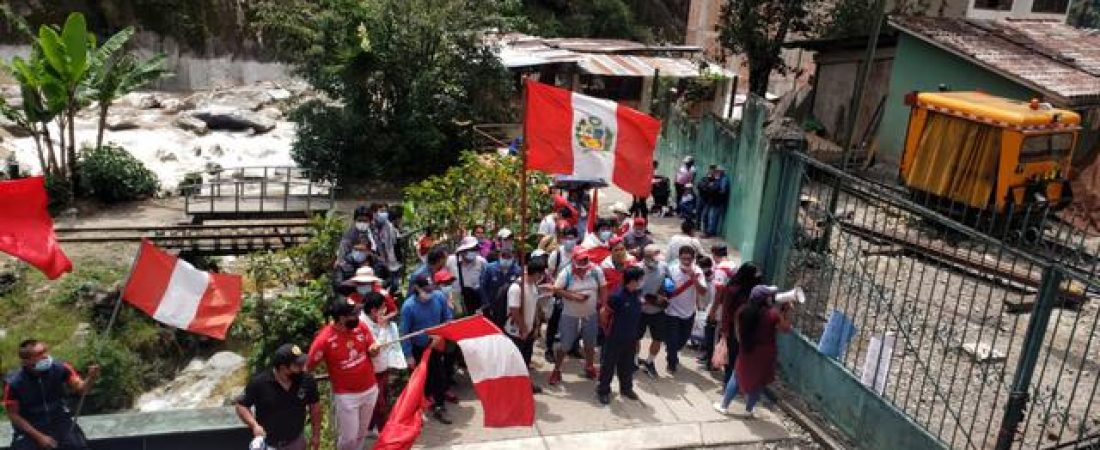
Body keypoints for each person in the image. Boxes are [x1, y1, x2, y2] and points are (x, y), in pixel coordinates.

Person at [306, 299, 381, 450]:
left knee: (361, 433)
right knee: (349, 438)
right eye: (353, 314)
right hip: (347, 396)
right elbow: (308, 366)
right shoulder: (324, 340)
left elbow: (372, 347)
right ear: (341, 318)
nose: (358, 316)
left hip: (370, 389)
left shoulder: (360, 326)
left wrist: (375, 349)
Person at [3, 339, 99, 450]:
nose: (45, 356)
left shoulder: (60, 367)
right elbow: (13, 415)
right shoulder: (13, 382)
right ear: (26, 361)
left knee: (78, 446)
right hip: (31, 426)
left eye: (45, 351)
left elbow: (82, 389)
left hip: (60, 421)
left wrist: (91, 378)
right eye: (39, 354)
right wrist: (39, 437)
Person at [715, 285, 792, 418]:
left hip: (747, 349)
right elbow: (785, 328)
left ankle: (724, 406)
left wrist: (744, 344)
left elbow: (739, 335)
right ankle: (749, 410)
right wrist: (786, 312)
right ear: (765, 299)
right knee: (759, 380)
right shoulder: (772, 314)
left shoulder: (742, 311)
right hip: (766, 352)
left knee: (737, 376)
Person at [236, 344, 321, 450]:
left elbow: (315, 407)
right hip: (268, 444)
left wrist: (316, 435)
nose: (302, 367)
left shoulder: (306, 380)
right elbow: (241, 405)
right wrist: (254, 425)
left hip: (296, 441)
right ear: (283, 368)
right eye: (297, 365)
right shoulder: (260, 383)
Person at [546, 250, 607, 385]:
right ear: (574, 261)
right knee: (565, 344)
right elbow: (556, 289)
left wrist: (603, 306)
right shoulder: (566, 273)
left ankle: (589, 367)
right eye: (580, 261)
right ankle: (557, 369)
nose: (583, 264)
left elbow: (603, 288)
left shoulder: (596, 271)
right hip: (570, 314)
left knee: (590, 342)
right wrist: (574, 297)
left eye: (585, 260)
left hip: (590, 314)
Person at [400, 275, 454, 424]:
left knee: (439, 377)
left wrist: (442, 333)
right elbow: (404, 333)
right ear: (417, 288)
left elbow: (448, 317)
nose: (429, 292)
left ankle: (439, 406)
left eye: (431, 289)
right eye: (426, 290)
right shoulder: (408, 307)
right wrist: (408, 354)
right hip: (418, 347)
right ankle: (417, 410)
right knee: (418, 381)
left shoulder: (438, 297)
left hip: (436, 344)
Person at [359, 292, 406, 437]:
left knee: (382, 400)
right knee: (379, 405)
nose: (384, 311)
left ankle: (370, 428)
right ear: (373, 310)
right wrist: (384, 328)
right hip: (371, 372)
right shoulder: (362, 325)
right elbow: (376, 349)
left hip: (383, 368)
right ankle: (385, 434)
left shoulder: (378, 320)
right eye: (382, 308)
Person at [597, 266, 645, 405]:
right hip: (614, 337)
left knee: (627, 365)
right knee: (608, 366)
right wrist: (607, 333)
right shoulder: (617, 296)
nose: (642, 282)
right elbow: (604, 314)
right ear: (633, 281)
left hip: (630, 337)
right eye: (640, 279)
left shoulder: (637, 293)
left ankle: (626, 389)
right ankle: (603, 390)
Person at [717, 263, 764, 390]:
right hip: (734, 328)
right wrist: (725, 329)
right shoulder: (733, 289)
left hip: (749, 328)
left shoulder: (755, 290)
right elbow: (726, 310)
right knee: (732, 356)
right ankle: (728, 382)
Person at [505, 259, 549, 393]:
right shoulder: (516, 288)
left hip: (528, 330)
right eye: (541, 274)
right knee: (515, 363)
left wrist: (535, 327)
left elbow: (534, 306)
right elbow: (514, 311)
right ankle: (513, 390)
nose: (541, 277)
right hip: (516, 332)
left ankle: (525, 384)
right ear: (536, 273)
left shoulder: (533, 285)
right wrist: (523, 328)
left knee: (525, 361)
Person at [663, 246, 707, 374]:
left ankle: (671, 350)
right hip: (671, 311)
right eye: (684, 258)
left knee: (681, 341)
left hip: (688, 313)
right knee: (673, 339)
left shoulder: (698, 271)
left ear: (693, 259)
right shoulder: (671, 269)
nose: (686, 261)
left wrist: (693, 278)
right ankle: (672, 362)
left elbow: (703, 291)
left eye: (689, 258)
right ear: (679, 257)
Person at [544, 226, 579, 361]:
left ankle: (573, 347)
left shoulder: (580, 253)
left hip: (574, 293)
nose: (570, 241)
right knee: (554, 322)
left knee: (575, 321)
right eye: (567, 238)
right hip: (559, 294)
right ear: (562, 239)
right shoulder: (556, 254)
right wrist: (558, 287)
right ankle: (549, 349)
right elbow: (550, 274)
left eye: (572, 238)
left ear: (577, 239)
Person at [701, 244, 738, 370]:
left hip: (721, 306)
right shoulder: (732, 265)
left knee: (712, 332)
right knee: (718, 333)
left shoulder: (721, 268)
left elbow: (720, 291)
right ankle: (713, 359)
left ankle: (712, 361)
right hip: (730, 305)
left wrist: (713, 310)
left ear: (714, 254)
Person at [637, 245, 669, 378]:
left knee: (658, 338)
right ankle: (634, 361)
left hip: (658, 311)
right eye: (654, 255)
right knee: (635, 337)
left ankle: (649, 362)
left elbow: (669, 284)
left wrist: (664, 295)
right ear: (646, 257)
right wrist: (643, 299)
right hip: (640, 311)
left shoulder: (663, 266)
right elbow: (630, 289)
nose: (657, 259)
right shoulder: (637, 269)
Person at [479, 246, 521, 328]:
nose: (506, 259)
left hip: (508, 307)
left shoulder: (518, 271)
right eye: (503, 256)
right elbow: (483, 287)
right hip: (491, 306)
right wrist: (486, 304)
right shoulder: (489, 268)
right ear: (499, 256)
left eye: (509, 257)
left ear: (514, 257)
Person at [445, 237, 486, 315]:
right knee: (460, 319)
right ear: (462, 251)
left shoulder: (482, 262)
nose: (473, 252)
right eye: (471, 249)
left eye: (475, 249)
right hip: (456, 298)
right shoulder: (451, 261)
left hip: (476, 300)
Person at [371, 203, 403, 291]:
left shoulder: (387, 227)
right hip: (388, 262)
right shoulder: (389, 228)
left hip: (387, 261)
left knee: (389, 284)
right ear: (397, 218)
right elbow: (390, 247)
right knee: (391, 284)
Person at [698, 165, 730, 237]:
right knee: (707, 216)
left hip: (717, 201)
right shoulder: (715, 178)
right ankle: (707, 231)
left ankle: (710, 232)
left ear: (721, 172)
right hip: (712, 200)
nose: (716, 172)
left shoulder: (723, 179)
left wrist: (713, 188)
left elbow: (722, 191)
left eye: (718, 171)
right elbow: (704, 184)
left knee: (712, 217)